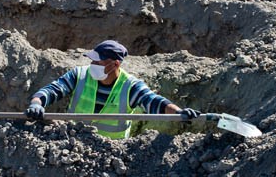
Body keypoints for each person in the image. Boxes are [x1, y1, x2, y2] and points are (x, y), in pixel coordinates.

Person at [25, 40, 200, 140]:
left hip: (111, 153)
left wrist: (179, 112)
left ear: (115, 63)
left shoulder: (130, 86)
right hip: (72, 145)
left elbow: (154, 102)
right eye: (92, 61)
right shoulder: (80, 75)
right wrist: (36, 103)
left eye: (98, 62)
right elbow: (54, 89)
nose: (92, 65)